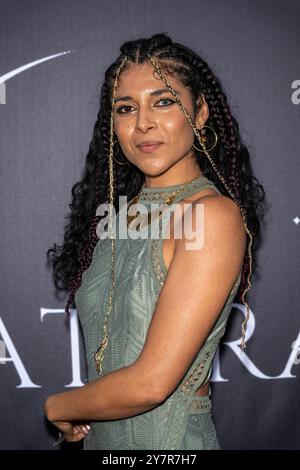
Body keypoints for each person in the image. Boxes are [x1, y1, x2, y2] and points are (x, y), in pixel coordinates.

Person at [44, 33, 265, 450]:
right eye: (126, 108)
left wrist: (59, 406)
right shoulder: (118, 215)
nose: (143, 122)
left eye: (163, 102)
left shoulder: (210, 215)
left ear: (199, 113)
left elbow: (151, 383)